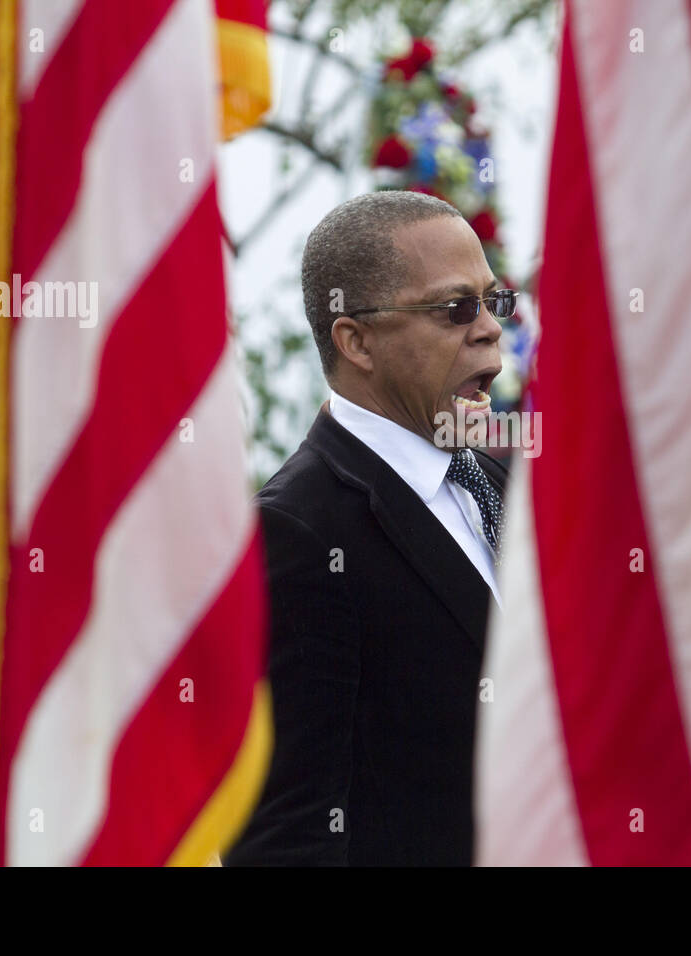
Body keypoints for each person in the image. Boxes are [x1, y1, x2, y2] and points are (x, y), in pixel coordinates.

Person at [226, 191, 514, 866]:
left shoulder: (505, 484)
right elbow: (284, 837)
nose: (489, 329)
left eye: (492, 301)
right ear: (356, 340)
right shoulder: (296, 533)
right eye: (454, 308)